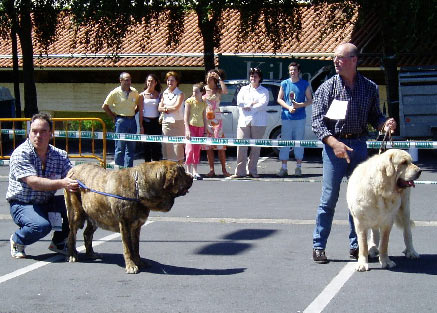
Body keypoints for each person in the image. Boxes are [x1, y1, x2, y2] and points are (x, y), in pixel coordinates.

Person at [311, 42, 397, 264]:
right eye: (335, 58)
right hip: (334, 149)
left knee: (359, 198)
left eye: (340, 58)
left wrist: (385, 123)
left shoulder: (369, 87)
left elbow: (374, 117)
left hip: (359, 146)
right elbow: (317, 123)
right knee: (329, 198)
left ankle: (356, 245)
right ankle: (318, 246)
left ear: (354, 60)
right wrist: (334, 143)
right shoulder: (327, 88)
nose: (335, 61)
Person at [7, 113, 79, 259]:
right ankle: (18, 240)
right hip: (22, 204)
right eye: (34, 131)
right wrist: (62, 183)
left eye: (43, 131)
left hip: (47, 202)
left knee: (80, 207)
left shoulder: (60, 155)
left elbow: (74, 176)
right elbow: (34, 182)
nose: (38, 135)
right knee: (40, 226)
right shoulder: (20, 154)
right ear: (29, 132)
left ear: (50, 134)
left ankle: (59, 242)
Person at [229, 67, 269, 178]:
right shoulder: (243, 89)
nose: (253, 78)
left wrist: (250, 106)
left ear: (259, 78)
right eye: (251, 76)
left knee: (255, 147)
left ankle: (252, 170)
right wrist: (250, 104)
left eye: (255, 76)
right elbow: (239, 102)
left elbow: (262, 104)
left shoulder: (264, 91)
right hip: (243, 121)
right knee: (241, 146)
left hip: (259, 122)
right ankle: (240, 171)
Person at [277, 62, 313, 177]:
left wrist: (299, 105)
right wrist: (288, 107)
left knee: (299, 142)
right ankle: (284, 168)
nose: (293, 72)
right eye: (291, 70)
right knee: (285, 142)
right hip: (286, 117)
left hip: (300, 118)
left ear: (299, 71)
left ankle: (298, 167)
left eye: (295, 70)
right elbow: (279, 99)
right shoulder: (285, 83)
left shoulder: (304, 84)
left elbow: (310, 100)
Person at [102, 72, 139, 168]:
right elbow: (105, 106)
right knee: (120, 148)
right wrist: (114, 117)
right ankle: (118, 170)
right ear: (121, 80)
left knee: (131, 148)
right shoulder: (115, 93)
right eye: (126, 80)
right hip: (121, 121)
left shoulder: (134, 92)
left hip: (132, 121)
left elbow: (138, 106)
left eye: (130, 80)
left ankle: (128, 170)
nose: (128, 82)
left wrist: (132, 114)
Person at [202, 69, 231, 178]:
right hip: (206, 119)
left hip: (217, 120)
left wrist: (219, 78)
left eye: (211, 76)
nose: (209, 77)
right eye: (208, 75)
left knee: (220, 146)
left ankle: (224, 169)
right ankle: (211, 170)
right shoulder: (203, 89)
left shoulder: (218, 90)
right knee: (208, 146)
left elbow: (225, 91)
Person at [158, 71, 185, 162]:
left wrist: (165, 108)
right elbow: (159, 108)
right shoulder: (164, 94)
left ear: (176, 82)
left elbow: (176, 107)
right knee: (167, 146)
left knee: (178, 147)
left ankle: (180, 169)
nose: (170, 82)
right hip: (166, 123)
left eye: (172, 80)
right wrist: (166, 109)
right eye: (168, 80)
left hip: (178, 123)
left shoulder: (180, 94)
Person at [184, 82, 207, 180]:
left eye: (196, 92)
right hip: (191, 126)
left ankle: (195, 171)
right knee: (189, 149)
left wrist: (205, 131)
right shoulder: (189, 101)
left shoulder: (203, 103)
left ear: (201, 92)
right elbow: (186, 117)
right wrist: (187, 130)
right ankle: (188, 170)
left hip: (200, 127)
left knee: (197, 150)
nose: (194, 93)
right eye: (193, 91)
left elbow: (204, 117)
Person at [138, 73, 163, 162]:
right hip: (146, 122)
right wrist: (141, 126)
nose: (150, 83)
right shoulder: (142, 95)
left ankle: (156, 166)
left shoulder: (159, 95)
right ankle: (147, 165)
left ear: (155, 83)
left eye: (152, 81)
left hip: (156, 123)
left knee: (156, 146)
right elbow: (140, 111)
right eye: (148, 81)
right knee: (146, 146)